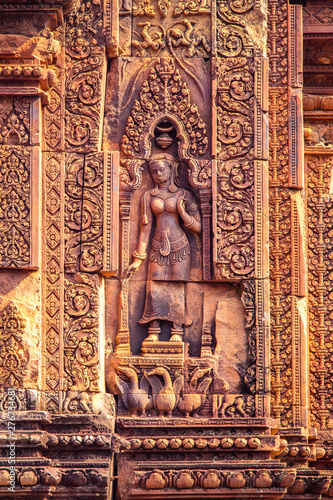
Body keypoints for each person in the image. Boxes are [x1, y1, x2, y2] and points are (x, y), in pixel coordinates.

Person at [126, 153, 201, 342]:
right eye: (154, 171)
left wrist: (183, 213)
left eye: (162, 169)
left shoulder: (184, 195)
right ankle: (154, 329)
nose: (158, 174)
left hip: (180, 245)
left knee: (177, 284)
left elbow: (199, 228)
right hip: (157, 246)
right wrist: (138, 258)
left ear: (171, 169)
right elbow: (145, 229)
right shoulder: (148, 196)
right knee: (155, 284)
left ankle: (177, 330)